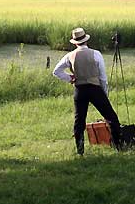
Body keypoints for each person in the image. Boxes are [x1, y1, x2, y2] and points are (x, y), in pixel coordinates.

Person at [52, 27, 122, 155]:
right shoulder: (96, 54)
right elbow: (103, 77)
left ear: (75, 42)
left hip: (79, 89)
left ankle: (80, 150)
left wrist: (70, 78)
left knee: (79, 120)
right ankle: (118, 146)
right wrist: (104, 93)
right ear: (86, 40)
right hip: (95, 88)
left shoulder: (70, 56)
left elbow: (56, 71)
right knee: (111, 118)